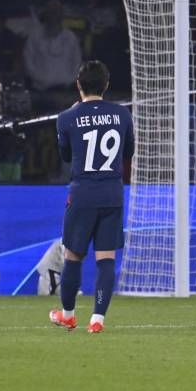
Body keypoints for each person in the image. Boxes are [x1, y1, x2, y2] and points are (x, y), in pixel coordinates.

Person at [49, 60, 134, 334]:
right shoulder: (122, 115)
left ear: (78, 85)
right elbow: (127, 152)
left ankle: (69, 315)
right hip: (112, 193)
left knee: (73, 256)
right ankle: (97, 319)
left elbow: (64, 155)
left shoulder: (66, 118)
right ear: (106, 85)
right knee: (106, 259)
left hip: (82, 194)